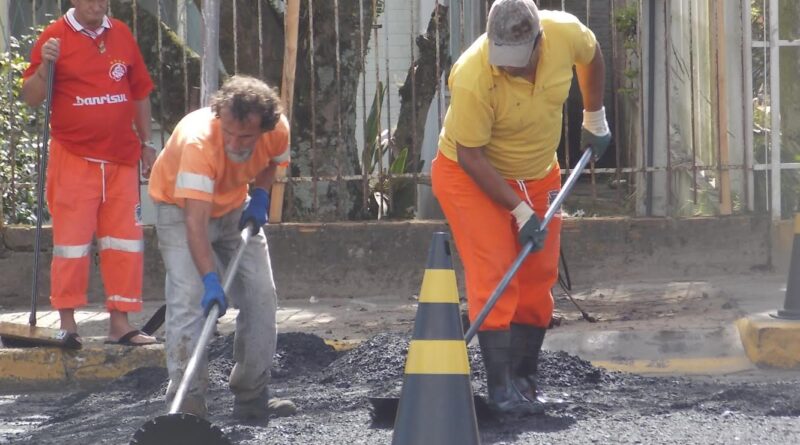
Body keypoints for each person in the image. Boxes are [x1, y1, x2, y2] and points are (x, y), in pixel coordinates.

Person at [431, 0, 611, 416]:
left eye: (517, 60)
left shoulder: (565, 33)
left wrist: (595, 116)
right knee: (495, 271)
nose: (509, 68)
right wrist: (519, 211)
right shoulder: (475, 75)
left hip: (538, 174)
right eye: (503, 61)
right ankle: (500, 390)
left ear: (538, 42)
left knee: (539, 273)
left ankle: (525, 381)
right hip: (470, 176)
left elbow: (593, 54)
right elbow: (471, 156)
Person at [148, 75, 296, 421]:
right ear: (220, 118)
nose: (234, 141)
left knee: (262, 296)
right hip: (179, 208)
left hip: (233, 206)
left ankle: (252, 396)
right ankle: (188, 405)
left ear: (263, 128)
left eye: (245, 136)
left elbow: (272, 160)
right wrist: (211, 280)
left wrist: (260, 195)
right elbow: (195, 225)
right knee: (188, 300)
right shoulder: (200, 144)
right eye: (228, 131)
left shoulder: (278, 129)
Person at [21, 0, 158, 346]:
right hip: (73, 157)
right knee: (71, 244)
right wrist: (44, 68)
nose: (99, 4)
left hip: (122, 158)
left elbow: (139, 92)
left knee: (125, 243)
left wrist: (146, 142)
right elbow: (31, 97)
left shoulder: (122, 34)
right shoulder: (53, 37)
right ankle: (68, 324)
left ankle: (121, 324)